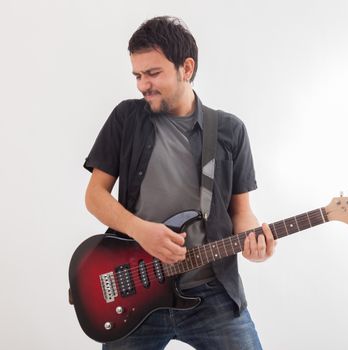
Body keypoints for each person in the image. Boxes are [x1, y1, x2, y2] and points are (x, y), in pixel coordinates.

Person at [84, 16, 276, 350]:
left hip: (212, 293)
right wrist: (140, 230)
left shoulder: (230, 131)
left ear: (186, 68)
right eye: (138, 75)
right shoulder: (125, 119)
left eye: (153, 73)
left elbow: (242, 213)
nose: (143, 85)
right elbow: (94, 196)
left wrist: (255, 242)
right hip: (136, 294)